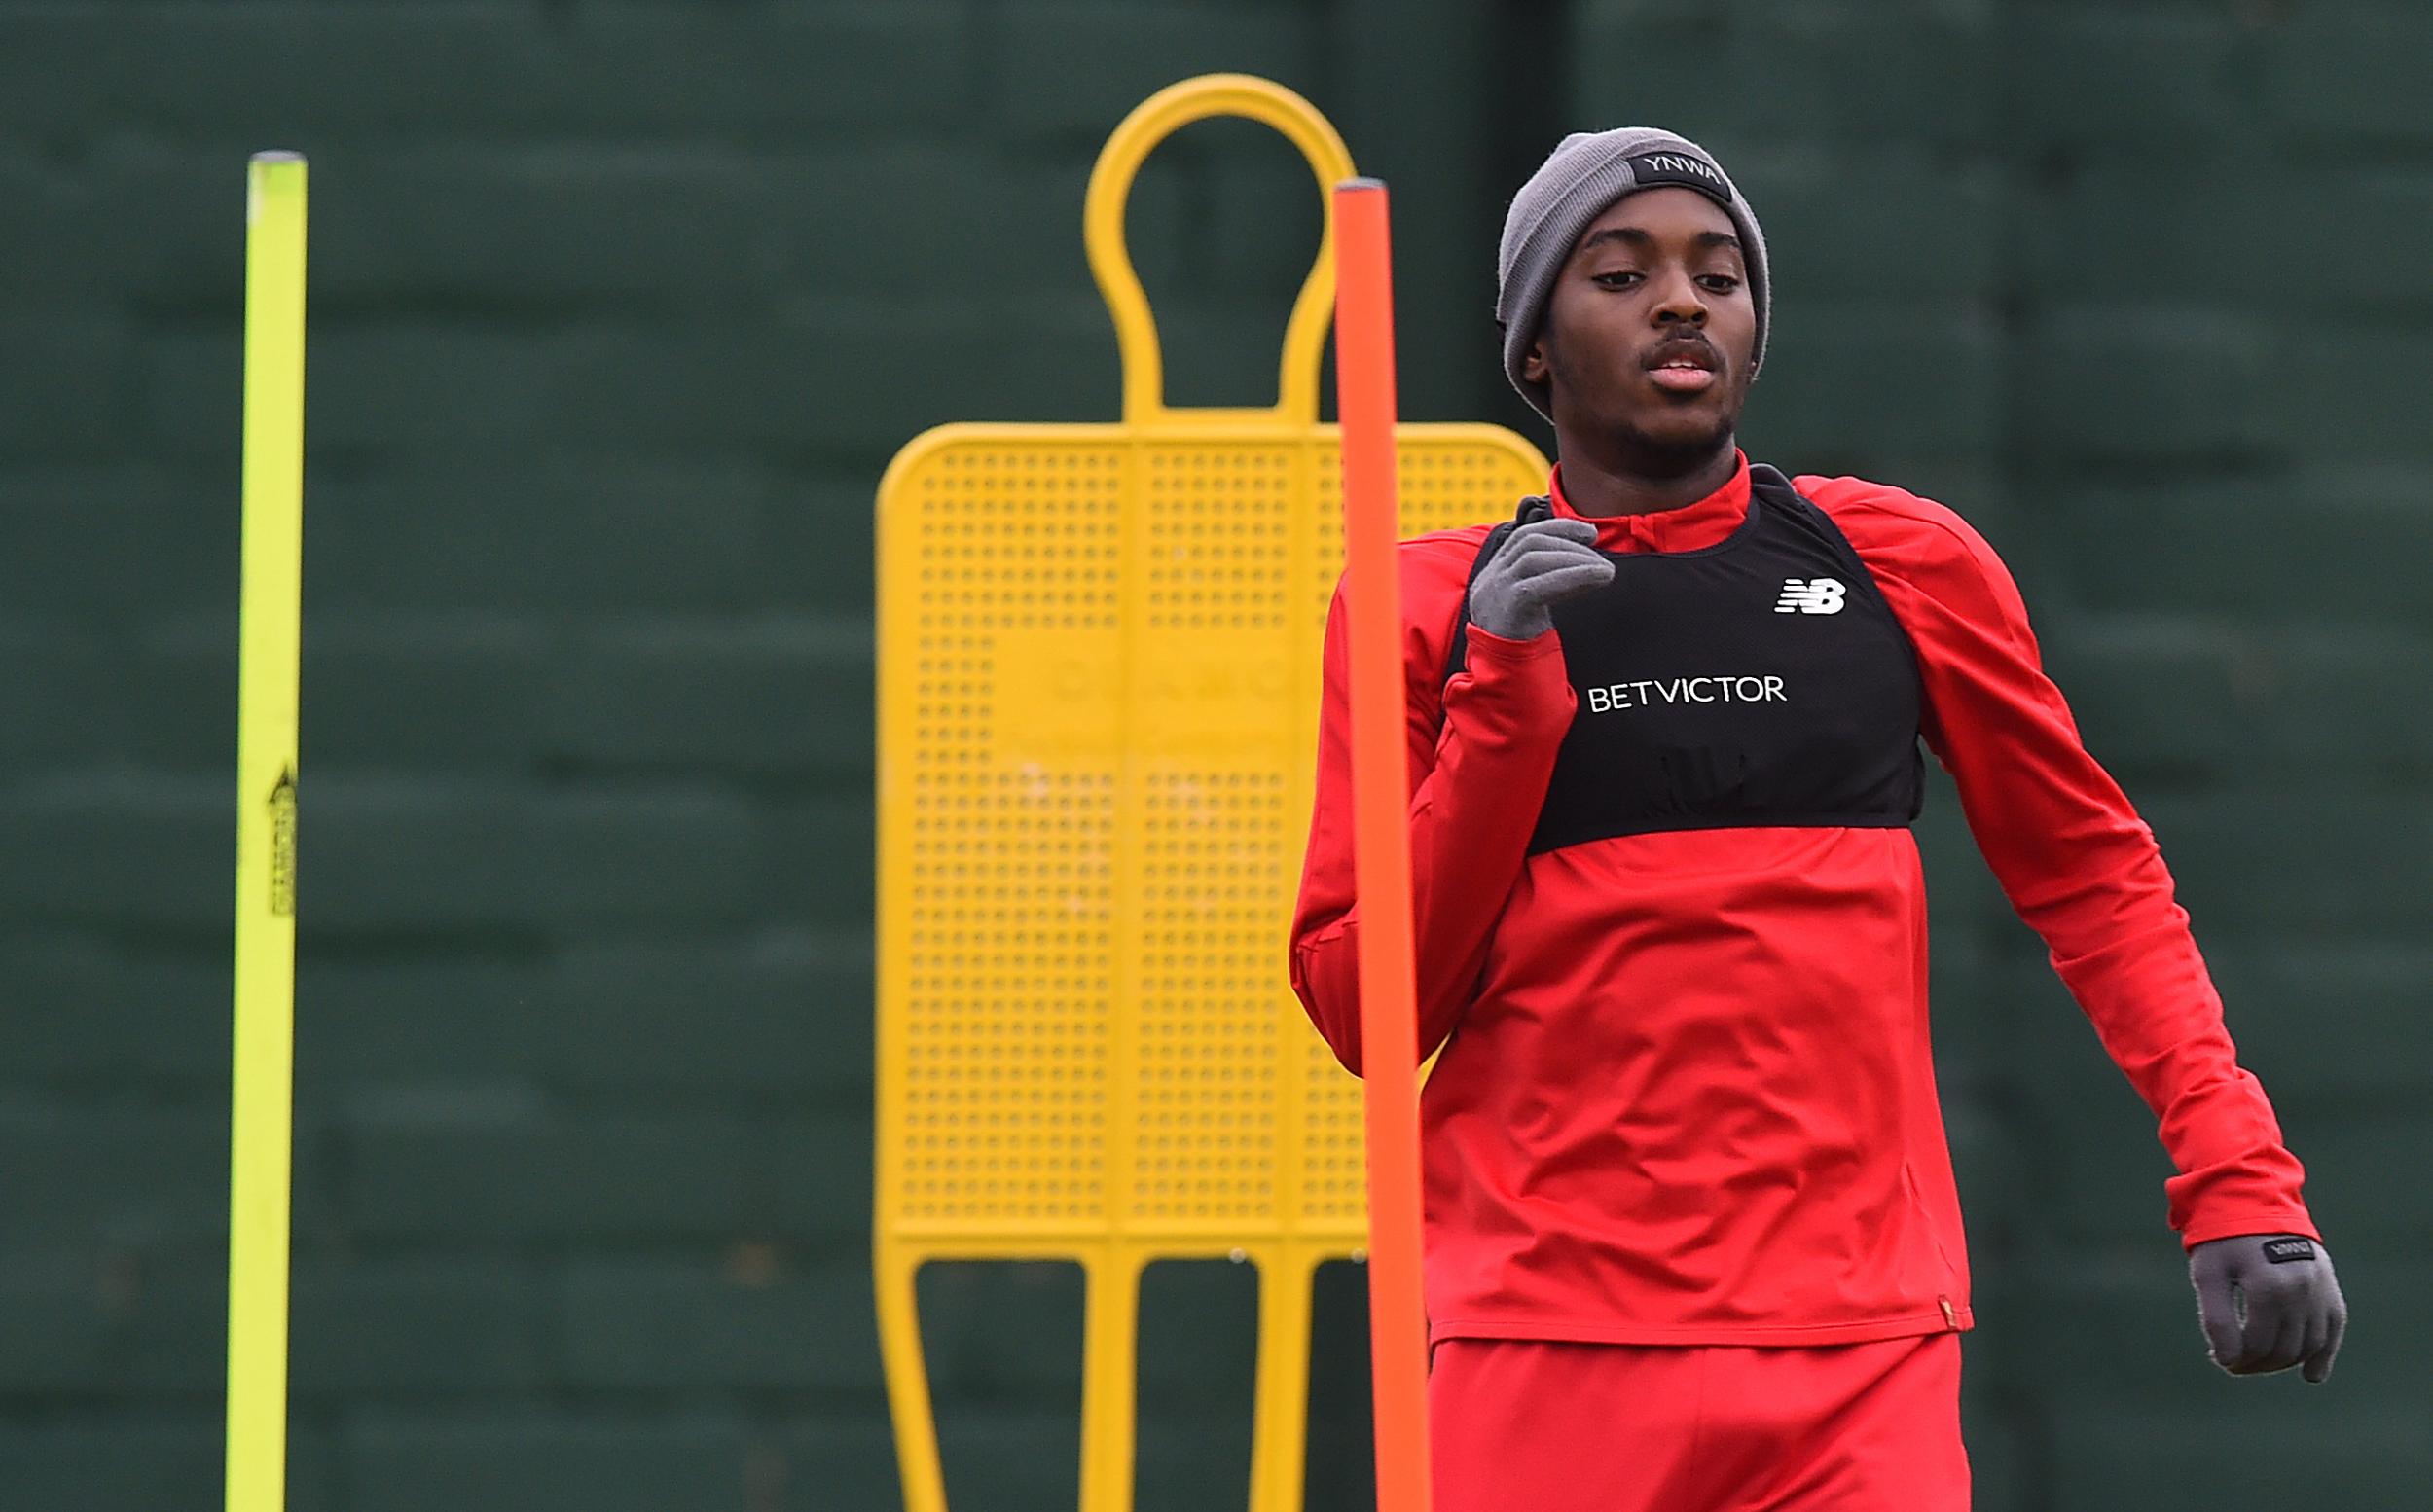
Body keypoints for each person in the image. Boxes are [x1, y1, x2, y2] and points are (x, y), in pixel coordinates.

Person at [1286, 127, 2346, 1512]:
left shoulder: (1902, 564)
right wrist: (1507, 709)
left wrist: (2237, 1172)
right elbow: (1369, 1015)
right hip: (1541, 1342)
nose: (1683, 301)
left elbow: (2097, 882)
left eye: (1718, 275)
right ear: (1535, 350)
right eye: (1622, 272)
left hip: (1862, 1357)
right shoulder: (1427, 610)